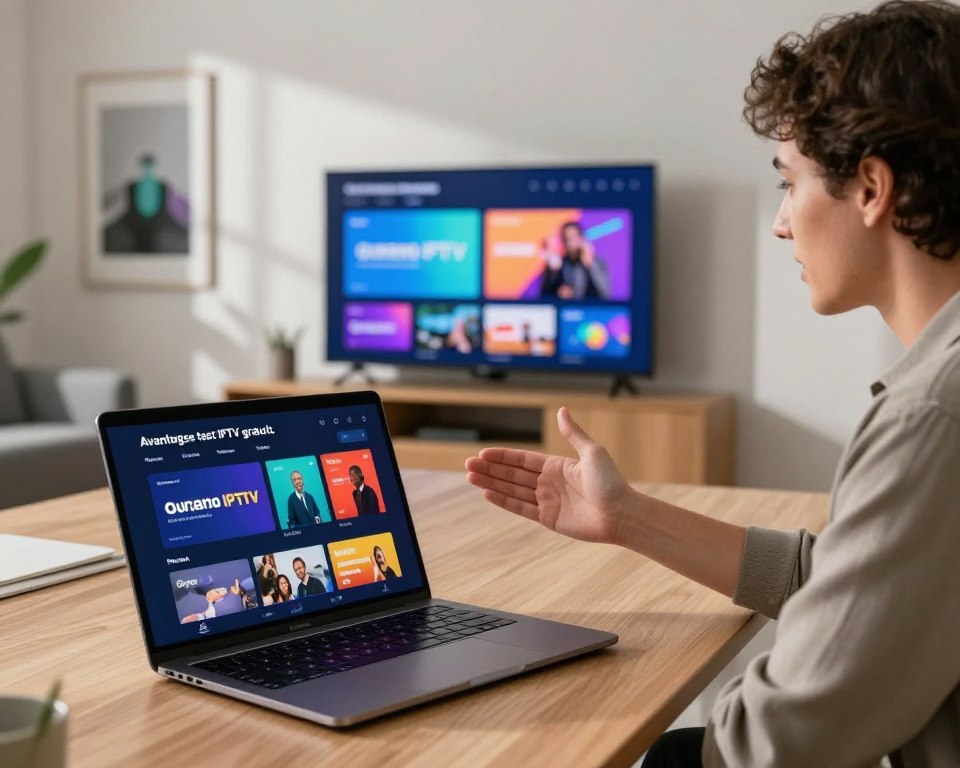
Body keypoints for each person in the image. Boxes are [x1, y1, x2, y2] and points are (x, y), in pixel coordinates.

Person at [466, 2, 960, 766]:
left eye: (789, 183)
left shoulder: (932, 412)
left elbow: (785, 738)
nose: (781, 224)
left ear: (871, 188)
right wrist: (628, 517)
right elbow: (846, 587)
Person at [538, 221, 610, 300]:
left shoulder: (597, 263)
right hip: (565, 309)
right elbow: (544, 297)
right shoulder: (559, 265)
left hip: (590, 310)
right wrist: (552, 273)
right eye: (566, 239)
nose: (570, 243)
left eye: (573, 237)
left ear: (581, 238)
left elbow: (605, 294)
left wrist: (590, 265)